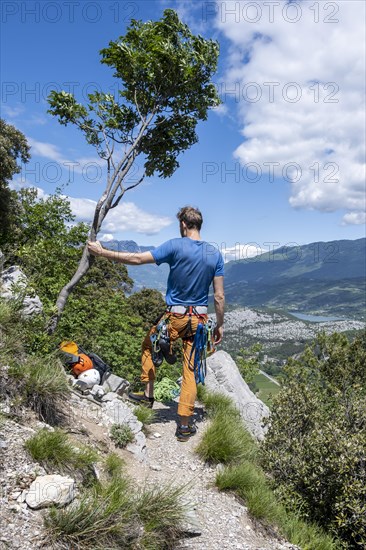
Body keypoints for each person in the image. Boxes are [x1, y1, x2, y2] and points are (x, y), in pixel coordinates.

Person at [88, 206, 225, 441]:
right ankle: (184, 426)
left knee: (148, 346)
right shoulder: (214, 254)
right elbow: (219, 297)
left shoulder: (174, 245)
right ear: (199, 225)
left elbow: (138, 258)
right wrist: (220, 325)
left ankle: (148, 395)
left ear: (183, 224)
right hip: (200, 322)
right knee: (190, 371)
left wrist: (102, 253)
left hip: (175, 317)